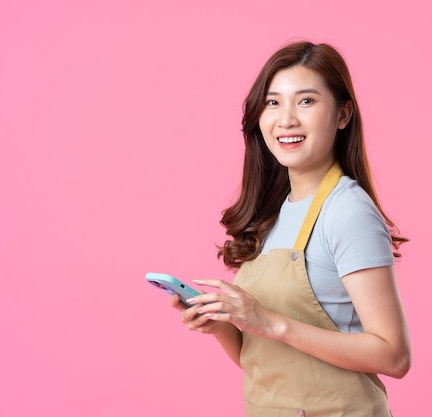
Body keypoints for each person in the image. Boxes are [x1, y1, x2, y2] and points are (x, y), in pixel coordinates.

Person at [171, 41, 411, 416]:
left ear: (343, 114)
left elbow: (394, 356)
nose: (286, 120)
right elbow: (268, 362)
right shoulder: (273, 213)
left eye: (306, 101)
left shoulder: (347, 211)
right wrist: (220, 323)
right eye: (272, 102)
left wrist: (270, 322)